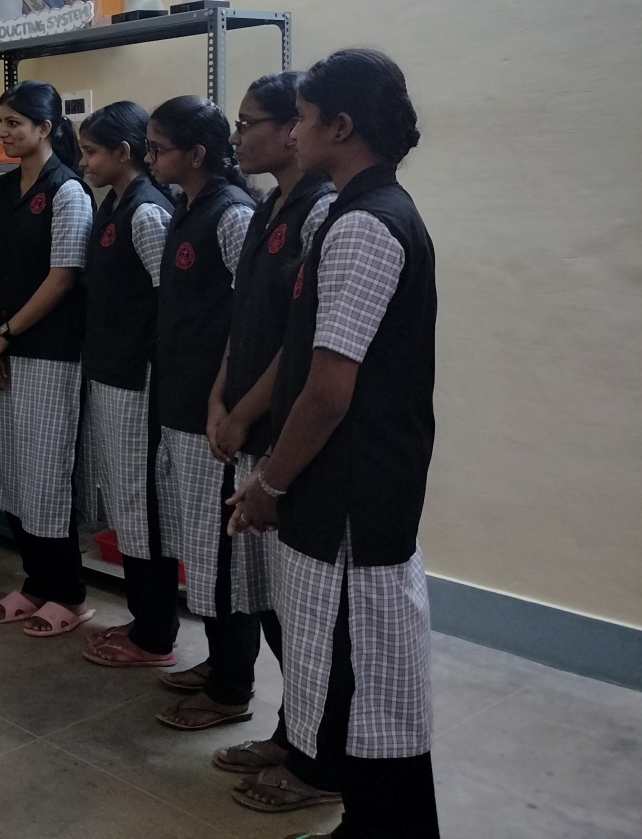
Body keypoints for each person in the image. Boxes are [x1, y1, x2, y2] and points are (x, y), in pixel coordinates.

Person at [229, 49, 441, 838]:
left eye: (307, 119)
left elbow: (326, 391)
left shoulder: (364, 226)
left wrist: (268, 485)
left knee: (365, 681)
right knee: (354, 674)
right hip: (353, 483)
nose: (294, 133)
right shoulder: (363, 212)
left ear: (342, 127)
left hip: (353, 490)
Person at [93, 97, 262, 730]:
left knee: (222, 555)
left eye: (159, 147)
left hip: (210, 412)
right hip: (180, 403)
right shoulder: (188, 207)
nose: (150, 156)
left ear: (196, 154)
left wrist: (225, 400)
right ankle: (219, 666)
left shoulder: (232, 214)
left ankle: (231, 688)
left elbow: (252, 317)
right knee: (200, 546)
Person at [202, 73, 340, 815]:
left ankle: (324, 758)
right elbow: (245, 318)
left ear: (294, 129)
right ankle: (293, 731)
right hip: (246, 421)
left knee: (306, 615)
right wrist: (219, 397)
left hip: (283, 431)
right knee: (275, 603)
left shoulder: (322, 212)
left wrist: (245, 413)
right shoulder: (264, 208)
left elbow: (303, 340)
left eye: (249, 122)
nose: (237, 137)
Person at [0, 81, 95, 637]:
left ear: (45, 128)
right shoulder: (0, 189)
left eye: (13, 123)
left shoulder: (68, 190)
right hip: (1, 349)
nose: (2, 132)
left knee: (46, 470)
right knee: (10, 469)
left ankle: (68, 592)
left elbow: (63, 276)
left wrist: (5, 334)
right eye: (0, 121)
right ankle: (35, 582)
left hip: (50, 353)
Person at [70, 102, 182, 671]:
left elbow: (171, 301)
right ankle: (143, 620)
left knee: (142, 503)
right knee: (125, 502)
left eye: (92, 152)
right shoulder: (112, 204)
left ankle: (157, 634)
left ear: (124, 152)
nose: (84, 162)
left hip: (139, 379)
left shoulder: (146, 212)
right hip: (111, 374)